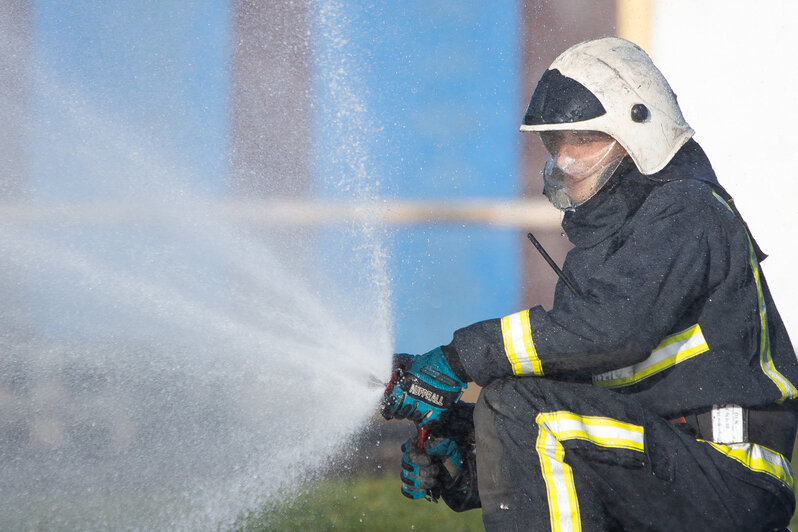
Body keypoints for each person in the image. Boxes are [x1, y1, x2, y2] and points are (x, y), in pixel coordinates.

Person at [381, 37, 798, 531]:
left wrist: (457, 359)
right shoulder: (609, 249)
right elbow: (584, 402)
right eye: (556, 144)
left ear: (641, 130)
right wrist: (464, 455)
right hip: (673, 459)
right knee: (513, 407)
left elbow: (609, 332)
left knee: (522, 410)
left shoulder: (687, 210)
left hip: (730, 474)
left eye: (583, 140)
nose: (564, 161)